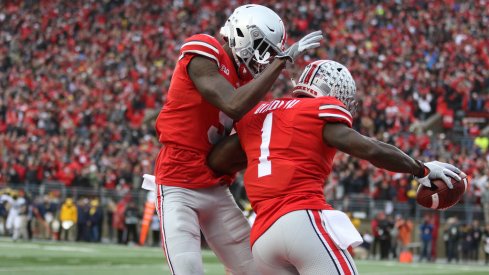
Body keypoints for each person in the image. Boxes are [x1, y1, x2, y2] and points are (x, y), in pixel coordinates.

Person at [208, 60, 463, 274]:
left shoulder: (261, 112)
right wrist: (421, 169)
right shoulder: (316, 110)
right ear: (332, 90)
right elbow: (370, 149)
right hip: (300, 219)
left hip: (262, 236)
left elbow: (216, 161)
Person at [150, 4, 323, 275]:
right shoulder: (206, 49)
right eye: (264, 50)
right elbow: (232, 104)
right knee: (188, 271)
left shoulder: (246, 84)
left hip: (215, 187)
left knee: (260, 270)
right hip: (177, 185)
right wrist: (281, 61)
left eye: (270, 54)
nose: (264, 59)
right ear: (244, 34)